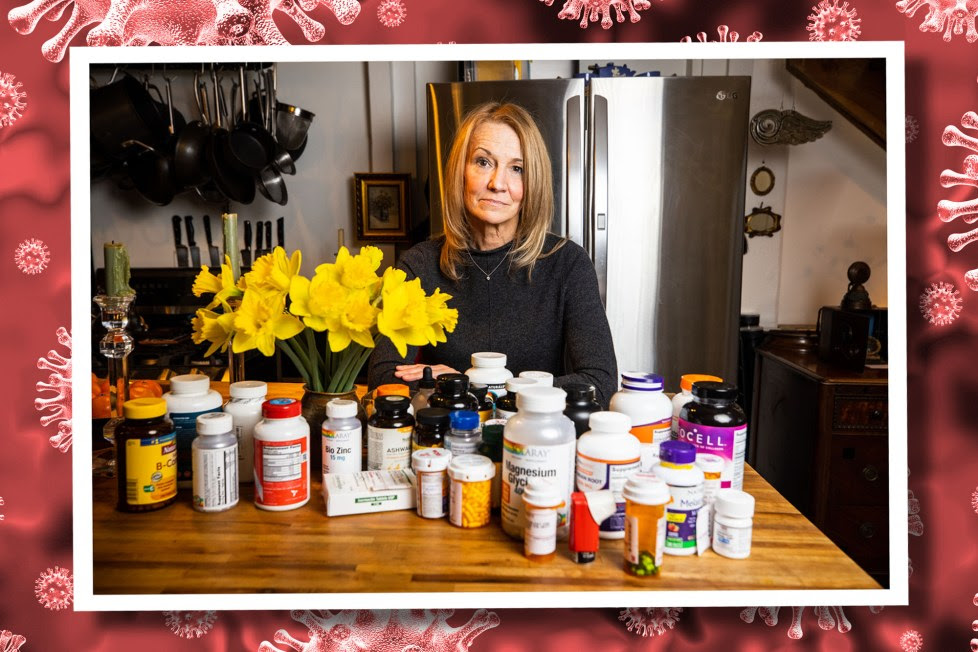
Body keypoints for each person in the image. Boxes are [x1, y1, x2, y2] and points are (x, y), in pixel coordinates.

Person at [367, 102, 618, 406]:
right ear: (460, 172)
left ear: (532, 182)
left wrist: (465, 384)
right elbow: (382, 377)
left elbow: (599, 383)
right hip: (450, 444)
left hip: (537, 441)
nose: (497, 184)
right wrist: (516, 389)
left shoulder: (568, 264)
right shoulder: (419, 265)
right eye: (483, 162)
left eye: (517, 169)